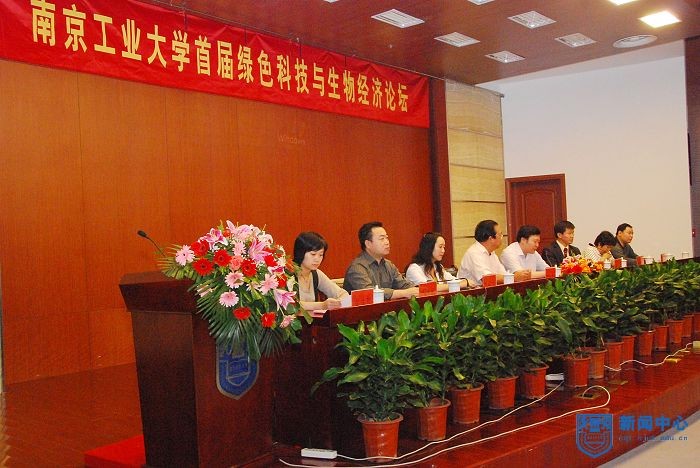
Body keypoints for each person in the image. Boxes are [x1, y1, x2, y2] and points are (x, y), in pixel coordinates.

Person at [343, 222, 419, 300]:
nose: (387, 242)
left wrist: (418, 290)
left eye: (387, 238)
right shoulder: (357, 268)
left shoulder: (388, 265)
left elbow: (404, 285)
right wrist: (403, 293)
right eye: (382, 239)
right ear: (368, 244)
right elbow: (370, 293)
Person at [457, 220, 530, 286]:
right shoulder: (474, 253)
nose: (501, 237)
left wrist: (519, 275)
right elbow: (487, 279)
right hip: (471, 295)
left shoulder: (492, 253)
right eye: (500, 235)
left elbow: (502, 273)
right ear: (491, 238)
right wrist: (514, 277)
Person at [293, 232, 348, 310]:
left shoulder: (316, 274)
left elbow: (342, 293)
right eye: (313, 254)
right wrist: (321, 305)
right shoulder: (287, 274)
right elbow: (290, 305)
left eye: (321, 255)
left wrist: (336, 303)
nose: (317, 259)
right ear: (300, 252)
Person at [405, 232, 471, 289]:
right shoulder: (414, 269)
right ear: (429, 247)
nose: (443, 251)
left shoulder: (437, 266)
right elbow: (428, 288)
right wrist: (461, 284)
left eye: (444, 247)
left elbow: (453, 280)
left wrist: (466, 282)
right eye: (440, 247)